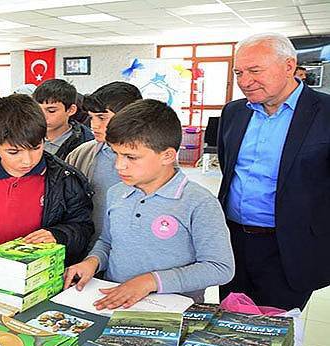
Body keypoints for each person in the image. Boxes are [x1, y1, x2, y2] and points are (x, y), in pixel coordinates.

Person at [65, 99, 234, 309]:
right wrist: (92, 262)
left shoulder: (199, 203)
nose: (119, 165)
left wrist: (150, 281)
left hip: (171, 310)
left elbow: (220, 268)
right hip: (114, 299)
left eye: (131, 157)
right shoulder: (117, 193)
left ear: (167, 156)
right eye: (116, 154)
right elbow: (108, 242)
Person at [218, 33, 330, 310]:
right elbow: (228, 168)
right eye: (239, 72)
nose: (245, 81)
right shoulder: (234, 113)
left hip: (290, 247)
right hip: (232, 241)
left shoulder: (325, 113)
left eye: (255, 71)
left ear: (289, 66)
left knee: (276, 330)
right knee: (227, 324)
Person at [0, 94, 93, 266]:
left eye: (36, 148)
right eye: (13, 152)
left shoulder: (65, 179)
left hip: (39, 275)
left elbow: (83, 226)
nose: (27, 160)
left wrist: (59, 234)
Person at [65, 82, 143, 242]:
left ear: (129, 117)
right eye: (91, 117)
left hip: (134, 255)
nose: (94, 125)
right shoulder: (81, 154)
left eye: (102, 117)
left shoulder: (157, 163)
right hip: (90, 252)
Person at [32, 79, 92, 160]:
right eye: (38, 110)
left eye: (51, 111)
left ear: (71, 110)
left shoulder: (86, 144)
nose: (43, 116)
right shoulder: (25, 136)